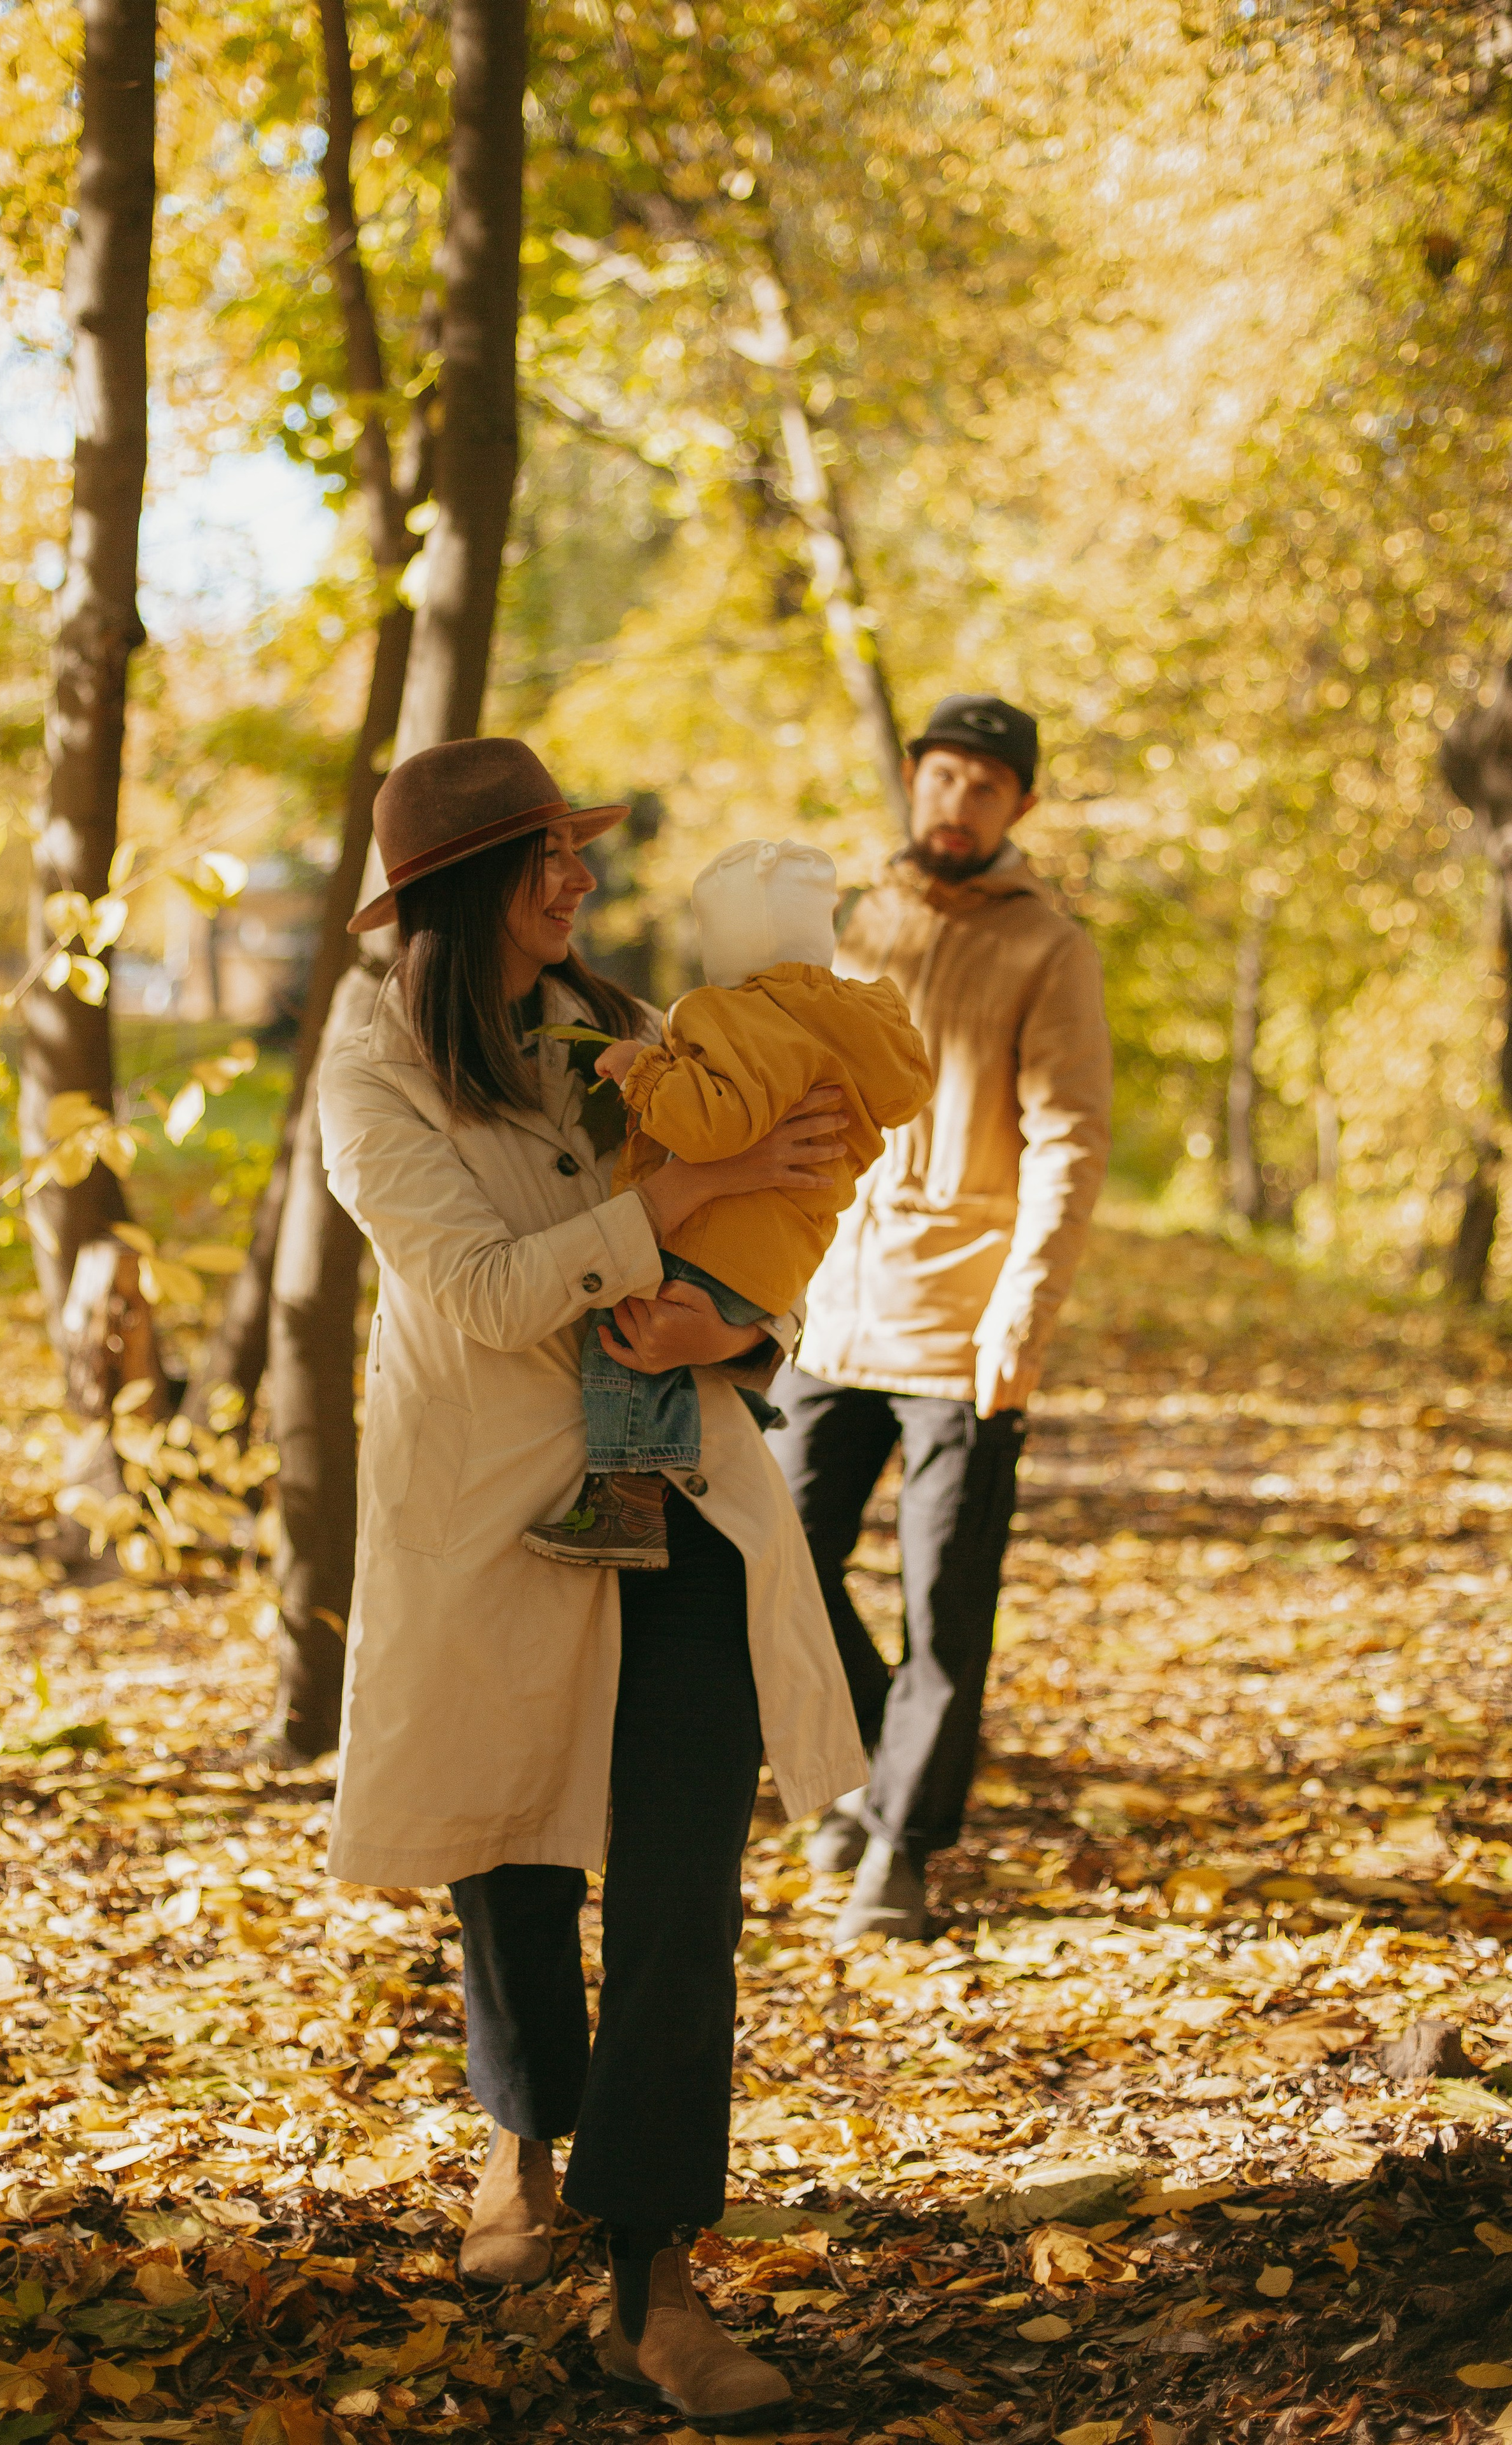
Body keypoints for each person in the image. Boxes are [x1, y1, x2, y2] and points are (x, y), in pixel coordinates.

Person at [317, 736, 866, 2428]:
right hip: (491, 1503)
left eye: (577, 848)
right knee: (514, 1846)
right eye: (548, 856)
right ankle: (519, 2123)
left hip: (675, 1487)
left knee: (684, 1882)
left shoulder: (633, 1034)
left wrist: (747, 1316)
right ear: (463, 890)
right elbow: (485, 1291)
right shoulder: (371, 1065)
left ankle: (652, 2281)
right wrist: (688, 1192)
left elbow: (784, 1216)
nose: (580, 879)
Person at [767, 694, 1112, 1945]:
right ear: (912, 782)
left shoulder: (1047, 950)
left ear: (1016, 806)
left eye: (984, 786)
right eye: (940, 777)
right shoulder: (860, 924)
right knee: (777, 1559)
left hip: (963, 1327)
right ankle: (859, 1770)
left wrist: (1024, 1307)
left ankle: (899, 1849)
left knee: (942, 1605)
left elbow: (1068, 1142)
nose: (955, 803)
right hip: (831, 1317)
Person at [523, 836, 931, 1569]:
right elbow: (903, 1096)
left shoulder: (734, 1015)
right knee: (673, 1359)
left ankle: (625, 1506)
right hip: (783, 1262)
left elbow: (711, 1127)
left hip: (713, 1241)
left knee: (621, 1347)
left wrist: (639, 1072)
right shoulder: (859, 1020)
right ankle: (748, 1408)